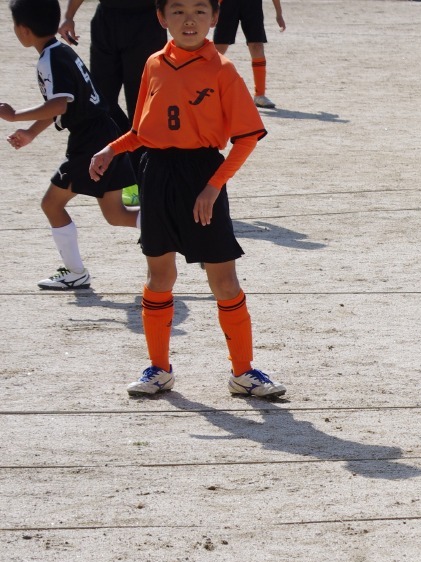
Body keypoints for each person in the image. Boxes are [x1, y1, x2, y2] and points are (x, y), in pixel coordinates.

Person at [89, 0, 285, 398]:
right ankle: (158, 370)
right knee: (159, 276)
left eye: (199, 10)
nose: (189, 20)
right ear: (161, 17)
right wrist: (111, 149)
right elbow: (142, 132)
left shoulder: (223, 70)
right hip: (156, 173)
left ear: (215, 17)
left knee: (224, 280)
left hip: (203, 175)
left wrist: (213, 187)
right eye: (177, 11)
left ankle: (243, 373)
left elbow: (247, 138)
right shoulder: (153, 64)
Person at [1, 0, 139, 290]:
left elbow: (59, 104)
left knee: (51, 204)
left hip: (90, 142)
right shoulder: (60, 51)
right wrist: (31, 132)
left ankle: (76, 272)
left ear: (23, 30)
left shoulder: (50, 59)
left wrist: (14, 116)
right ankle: (179, 230)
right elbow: (63, 104)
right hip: (104, 134)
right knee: (116, 215)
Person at [57, 0, 165, 206]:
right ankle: (131, 172)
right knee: (102, 104)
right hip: (106, 19)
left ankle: (145, 181)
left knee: (141, 106)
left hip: (147, 19)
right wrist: (69, 15)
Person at [212, 0, 284, 109]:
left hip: (252, 4)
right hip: (227, 3)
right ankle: (204, 87)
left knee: (257, 45)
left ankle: (260, 95)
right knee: (219, 48)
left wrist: (279, 14)